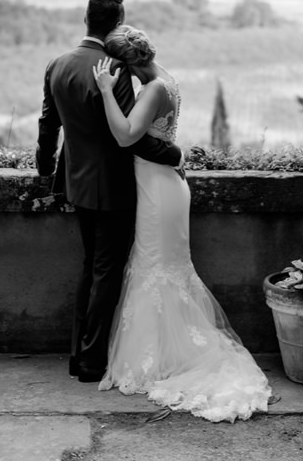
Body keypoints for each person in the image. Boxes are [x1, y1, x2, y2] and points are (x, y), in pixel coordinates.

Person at [93, 24, 272, 422]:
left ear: (126, 64)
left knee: (156, 267)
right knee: (161, 267)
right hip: (162, 184)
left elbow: (125, 137)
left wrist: (106, 90)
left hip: (159, 190)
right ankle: (163, 351)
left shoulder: (154, 88)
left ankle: (164, 358)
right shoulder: (166, 79)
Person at [36, 0, 184, 382]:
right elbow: (127, 135)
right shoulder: (114, 67)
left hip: (76, 182)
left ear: (86, 18)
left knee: (90, 268)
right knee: (106, 272)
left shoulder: (57, 64)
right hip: (113, 186)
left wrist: (43, 168)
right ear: (118, 21)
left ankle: (76, 357)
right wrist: (173, 155)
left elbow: (48, 124)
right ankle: (90, 362)